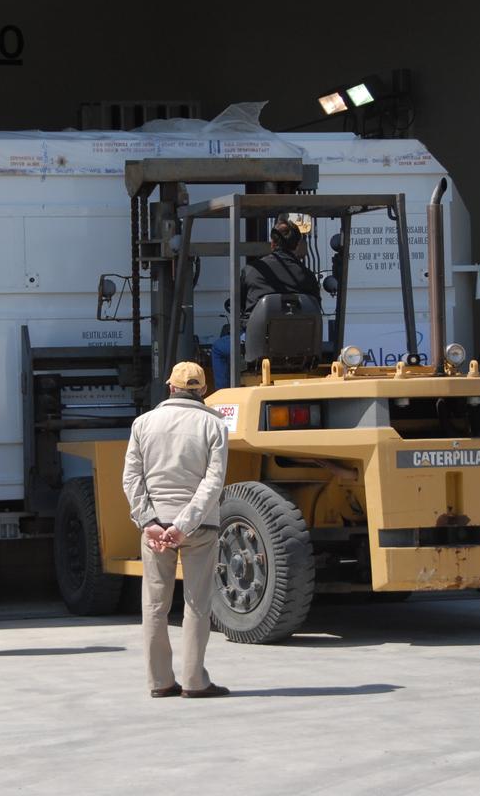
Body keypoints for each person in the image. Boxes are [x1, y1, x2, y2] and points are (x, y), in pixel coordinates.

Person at [122, 362, 230, 698]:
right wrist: (184, 524)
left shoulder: (143, 423)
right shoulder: (215, 424)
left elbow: (131, 478)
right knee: (197, 605)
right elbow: (213, 482)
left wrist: (148, 522)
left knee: (155, 605)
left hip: (155, 529)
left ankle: (160, 682)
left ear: (170, 387)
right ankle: (195, 682)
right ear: (203, 390)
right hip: (200, 527)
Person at [211, 216, 320, 389]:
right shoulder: (308, 276)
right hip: (302, 347)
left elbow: (239, 305)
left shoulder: (252, 271)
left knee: (218, 348)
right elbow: (316, 308)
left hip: (258, 346)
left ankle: (223, 398)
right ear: (297, 245)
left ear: (272, 243)